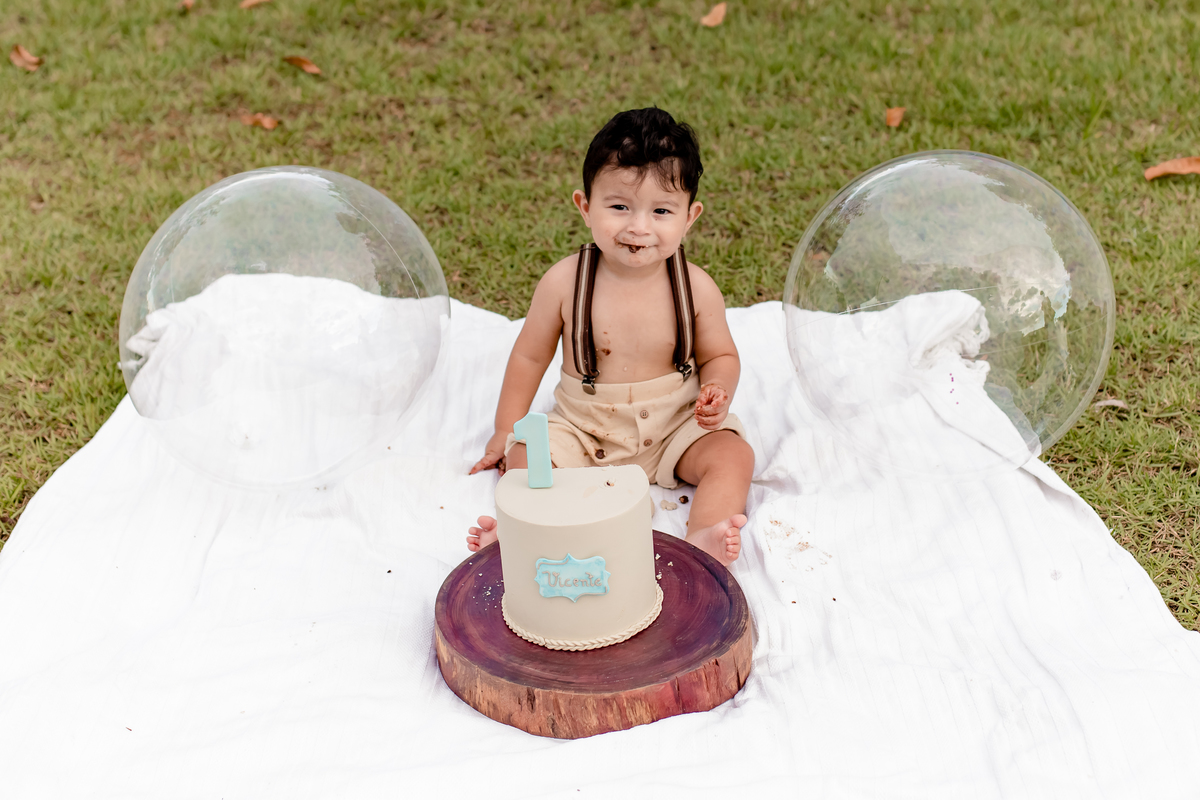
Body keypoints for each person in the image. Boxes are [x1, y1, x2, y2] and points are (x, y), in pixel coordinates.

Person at [466, 107, 753, 566]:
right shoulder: (564, 283)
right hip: (583, 429)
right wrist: (505, 431)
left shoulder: (695, 287)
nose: (639, 227)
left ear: (690, 217)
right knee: (526, 457)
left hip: (674, 428)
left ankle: (705, 536)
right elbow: (529, 357)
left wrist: (718, 388)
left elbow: (720, 354)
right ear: (585, 207)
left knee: (733, 455)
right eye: (619, 207)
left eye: (661, 211)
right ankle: (523, 534)